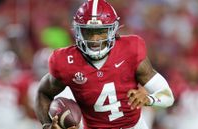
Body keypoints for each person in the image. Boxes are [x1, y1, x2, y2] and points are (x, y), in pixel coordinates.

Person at [34, 0, 174, 129]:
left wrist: (149, 99)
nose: (95, 39)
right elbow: (43, 93)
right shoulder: (66, 61)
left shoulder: (131, 50)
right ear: (78, 31)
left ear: (112, 30)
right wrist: (47, 125)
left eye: (101, 32)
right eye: (89, 32)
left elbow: (168, 97)